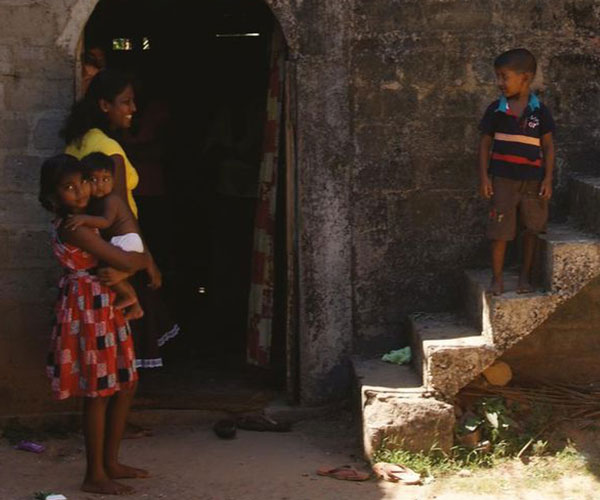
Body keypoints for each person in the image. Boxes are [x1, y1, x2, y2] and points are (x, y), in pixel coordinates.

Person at [39, 154, 150, 495]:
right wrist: (143, 260)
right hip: (89, 308)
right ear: (53, 196)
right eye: (69, 187)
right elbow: (125, 260)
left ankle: (110, 463)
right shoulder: (76, 228)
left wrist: (133, 264)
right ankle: (95, 474)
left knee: (124, 384)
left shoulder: (88, 220)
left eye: (84, 182)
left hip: (104, 303)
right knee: (98, 393)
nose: (81, 191)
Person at [61, 68, 180, 371]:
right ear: (104, 105)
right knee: (126, 353)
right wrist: (145, 260)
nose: (133, 109)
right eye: (126, 101)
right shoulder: (108, 149)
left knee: (103, 354)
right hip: (116, 254)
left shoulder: (79, 142)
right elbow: (119, 212)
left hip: (94, 255)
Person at [478, 48, 555, 295]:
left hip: (533, 182)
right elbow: (485, 144)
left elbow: (548, 146)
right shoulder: (496, 110)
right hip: (503, 180)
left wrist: (548, 179)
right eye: (498, 77)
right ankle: (497, 278)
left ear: (526, 77)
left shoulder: (540, 111)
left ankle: (525, 278)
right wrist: (484, 177)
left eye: (504, 77)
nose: (499, 82)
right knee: (499, 231)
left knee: (531, 230)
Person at [64, 152, 146, 320]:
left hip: (127, 240)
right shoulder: (97, 203)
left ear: (114, 181)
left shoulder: (111, 200)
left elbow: (106, 222)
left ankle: (131, 298)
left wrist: (84, 219)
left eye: (105, 179)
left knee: (108, 271)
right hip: (122, 242)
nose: (100, 185)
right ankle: (135, 304)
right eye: (93, 180)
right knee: (112, 273)